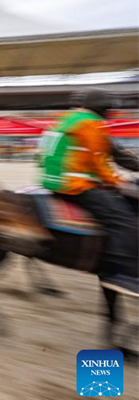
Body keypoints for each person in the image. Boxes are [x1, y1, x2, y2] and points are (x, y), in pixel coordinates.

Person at [39, 89, 138, 296]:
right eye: (109, 110)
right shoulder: (90, 124)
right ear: (103, 108)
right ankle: (118, 273)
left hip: (51, 182)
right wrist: (118, 182)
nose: (110, 114)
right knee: (125, 220)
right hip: (74, 185)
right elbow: (99, 162)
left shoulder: (63, 120)